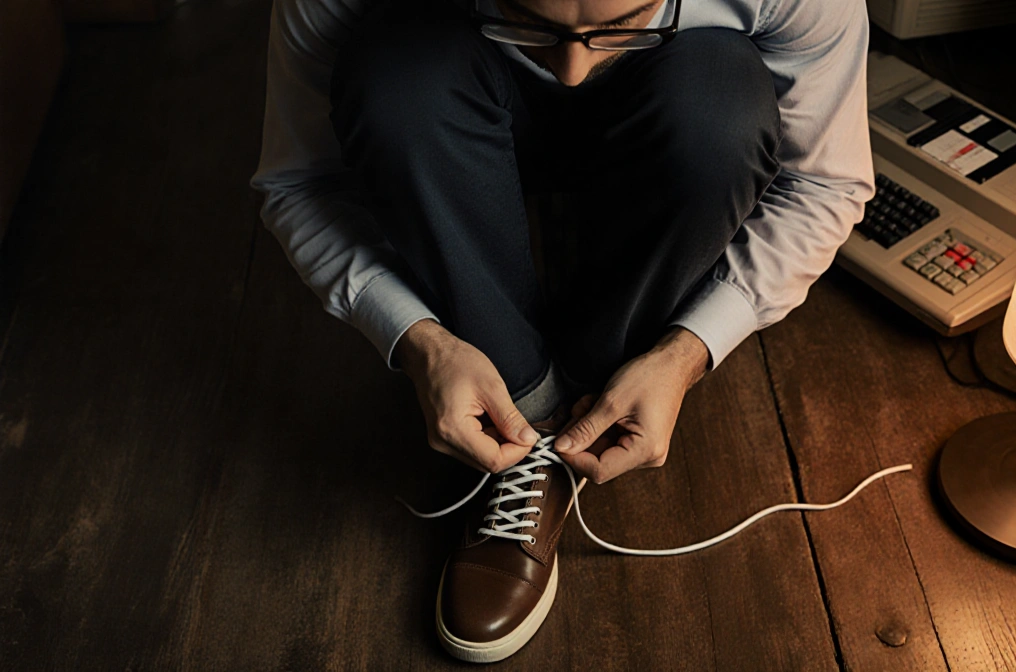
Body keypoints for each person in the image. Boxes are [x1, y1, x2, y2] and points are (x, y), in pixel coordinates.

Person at [251, 0, 872, 662]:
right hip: (453, 94)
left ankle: (581, 397)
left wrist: (687, 351)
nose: (572, 72)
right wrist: (416, 340)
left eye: (625, 20)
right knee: (396, 82)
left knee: (720, 108)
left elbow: (824, 186)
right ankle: (529, 406)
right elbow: (300, 182)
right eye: (526, 19)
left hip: (669, 107)